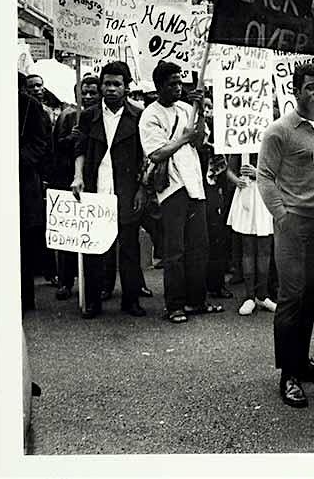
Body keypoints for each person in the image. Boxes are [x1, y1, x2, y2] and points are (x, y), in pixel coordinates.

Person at [258, 62, 314, 410]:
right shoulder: (280, 130)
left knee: (310, 297)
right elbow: (264, 177)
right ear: (296, 91)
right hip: (293, 225)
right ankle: (288, 374)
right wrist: (282, 215)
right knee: (291, 298)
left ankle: (302, 362)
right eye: (311, 87)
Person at [139, 61, 220, 324]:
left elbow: (199, 142)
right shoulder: (150, 115)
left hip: (194, 184)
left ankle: (197, 300)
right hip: (173, 187)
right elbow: (156, 152)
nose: (177, 88)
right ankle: (174, 305)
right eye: (172, 83)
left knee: (199, 246)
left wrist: (200, 114)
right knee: (175, 249)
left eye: (179, 82)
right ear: (159, 86)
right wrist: (183, 137)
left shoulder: (187, 108)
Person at [71, 61, 147, 318]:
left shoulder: (138, 116)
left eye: (117, 84)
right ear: (100, 85)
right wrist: (78, 177)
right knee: (94, 247)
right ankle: (92, 301)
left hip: (126, 191)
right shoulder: (89, 115)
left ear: (127, 87)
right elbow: (79, 148)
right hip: (95, 189)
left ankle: (131, 300)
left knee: (129, 248)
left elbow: (144, 157)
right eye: (107, 83)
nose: (111, 88)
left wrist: (141, 189)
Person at [52, 75, 102, 301]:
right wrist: (69, 139)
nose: (89, 97)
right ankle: (65, 281)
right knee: (68, 234)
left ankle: (97, 284)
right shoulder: (69, 116)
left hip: (94, 179)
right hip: (68, 180)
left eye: (93, 92)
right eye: (85, 93)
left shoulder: (100, 116)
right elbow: (54, 148)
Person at [226, 152, 275, 316]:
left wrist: (259, 174)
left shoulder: (272, 138)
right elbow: (229, 170)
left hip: (265, 194)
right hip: (246, 193)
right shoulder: (241, 145)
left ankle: (262, 294)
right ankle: (249, 296)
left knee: (265, 248)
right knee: (248, 248)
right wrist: (237, 180)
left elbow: (281, 169)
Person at [18, 72, 51, 312]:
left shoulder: (30, 106)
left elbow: (41, 143)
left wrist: (16, 160)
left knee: (22, 244)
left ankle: (24, 298)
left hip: (23, 180)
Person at [199, 94, 233, 300]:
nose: (207, 111)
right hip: (196, 188)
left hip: (214, 189)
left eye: (210, 106)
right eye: (203, 107)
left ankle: (217, 284)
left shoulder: (220, 131)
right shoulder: (192, 132)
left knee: (217, 238)